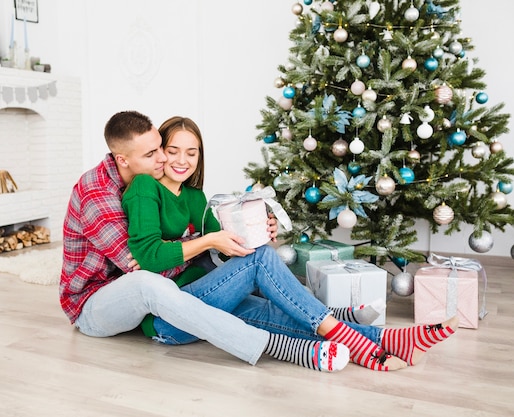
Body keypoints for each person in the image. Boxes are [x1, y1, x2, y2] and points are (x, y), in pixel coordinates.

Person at [120, 115, 459, 371]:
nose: (182, 160)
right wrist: (212, 238)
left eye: (191, 152)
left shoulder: (195, 196)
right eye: (173, 150)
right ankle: (355, 340)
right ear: (159, 152)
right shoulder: (144, 188)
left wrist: (262, 230)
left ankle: (388, 339)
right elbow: (149, 257)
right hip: (168, 317)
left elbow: (225, 247)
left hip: (207, 305)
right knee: (261, 262)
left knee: (273, 306)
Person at [60, 110, 349, 372]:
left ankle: (354, 332)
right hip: (94, 303)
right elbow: (148, 269)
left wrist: (255, 230)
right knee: (149, 283)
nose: (163, 159)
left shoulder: (159, 181)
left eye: (161, 148)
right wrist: (201, 243)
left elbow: (193, 251)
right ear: (122, 159)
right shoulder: (99, 196)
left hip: (153, 302)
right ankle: (278, 346)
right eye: (155, 153)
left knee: (246, 288)